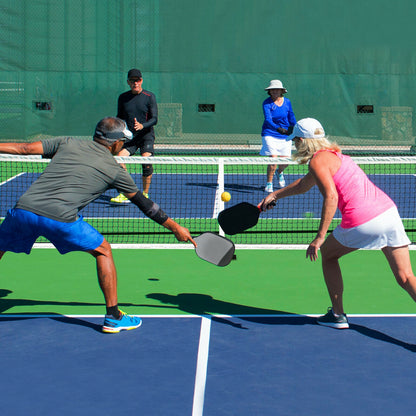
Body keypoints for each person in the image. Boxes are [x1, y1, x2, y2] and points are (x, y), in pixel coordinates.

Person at [0, 117, 196, 333]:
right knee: (103, 250)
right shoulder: (115, 170)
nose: (123, 144)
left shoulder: (67, 142)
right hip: (60, 218)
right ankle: (113, 316)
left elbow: (24, 148)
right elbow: (146, 205)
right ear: (115, 143)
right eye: (123, 141)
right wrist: (175, 227)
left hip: (23, 210)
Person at [260, 117, 416, 329]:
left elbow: (331, 197)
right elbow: (304, 185)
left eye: (295, 141)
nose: (295, 145)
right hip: (389, 213)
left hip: (363, 220)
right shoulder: (335, 156)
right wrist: (275, 195)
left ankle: (337, 314)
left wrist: (319, 237)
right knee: (406, 277)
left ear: (302, 141)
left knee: (328, 254)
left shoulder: (317, 161)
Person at [111, 68, 158, 203]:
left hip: (146, 136)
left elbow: (155, 119)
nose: (135, 83)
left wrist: (143, 125)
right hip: (130, 138)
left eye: (137, 80)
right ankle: (127, 192)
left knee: (146, 162)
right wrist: (118, 131)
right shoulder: (123, 98)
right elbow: (119, 117)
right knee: (119, 160)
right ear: (128, 82)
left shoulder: (149, 97)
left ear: (141, 81)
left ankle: (145, 194)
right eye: (132, 81)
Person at [260, 79, 296, 193]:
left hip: (285, 135)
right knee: (273, 159)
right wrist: (278, 129)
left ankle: (279, 172)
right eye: (272, 90)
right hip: (270, 133)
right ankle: (269, 183)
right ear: (269, 91)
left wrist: (295, 129)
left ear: (281, 91)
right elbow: (268, 120)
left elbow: (291, 116)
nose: (274, 91)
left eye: (277, 89)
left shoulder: (287, 102)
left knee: (285, 162)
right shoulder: (266, 103)